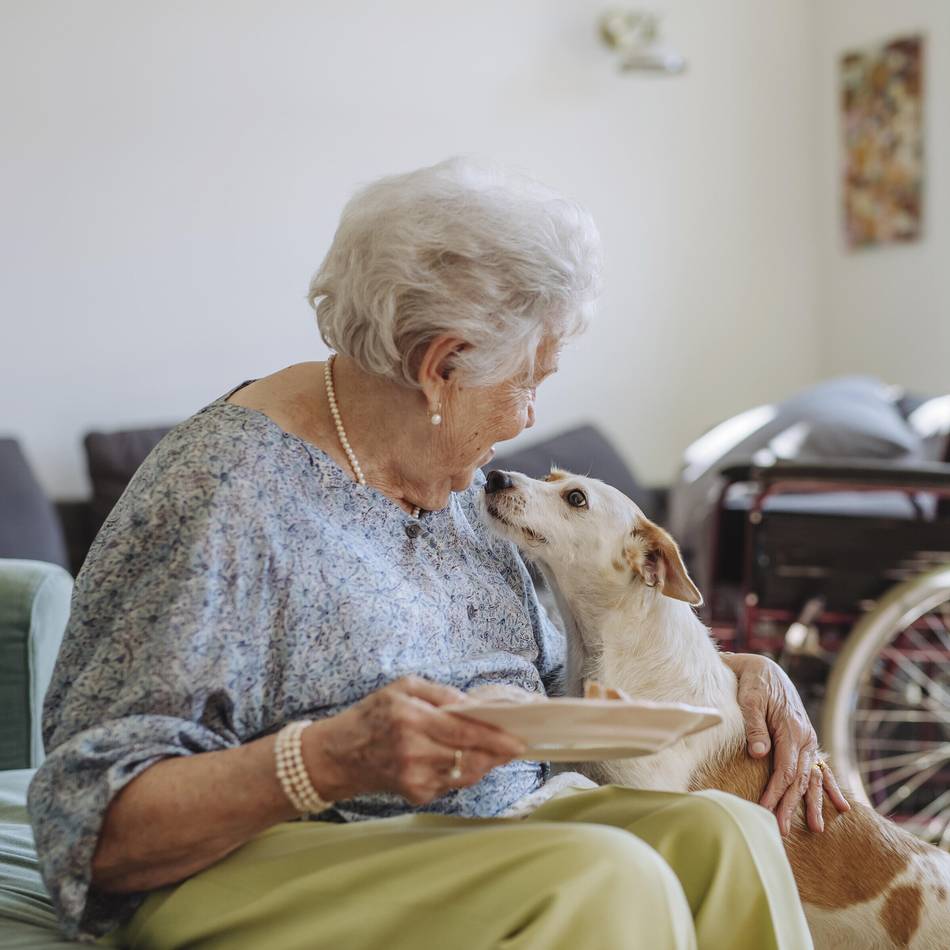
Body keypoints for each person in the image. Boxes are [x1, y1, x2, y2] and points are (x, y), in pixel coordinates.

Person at [28, 157, 847, 949]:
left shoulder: (461, 493)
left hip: (498, 830)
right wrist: (329, 758)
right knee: (606, 875)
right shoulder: (225, 494)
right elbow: (92, 830)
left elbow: (574, 687)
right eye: (530, 380)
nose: (529, 418)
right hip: (272, 858)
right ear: (438, 367)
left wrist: (737, 670)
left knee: (726, 833)